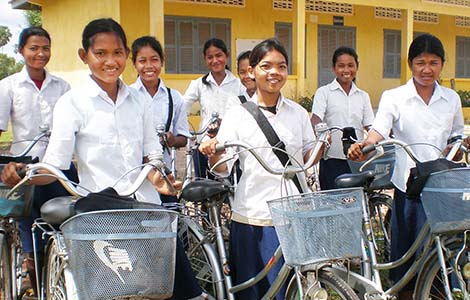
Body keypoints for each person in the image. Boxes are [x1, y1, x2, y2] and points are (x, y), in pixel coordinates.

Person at [2, 18, 204, 300]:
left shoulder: (139, 101)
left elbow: (151, 156)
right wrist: (25, 174)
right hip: (100, 214)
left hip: (144, 209)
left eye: (118, 53)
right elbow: (55, 164)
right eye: (101, 54)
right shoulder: (72, 103)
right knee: (112, 290)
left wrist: (163, 180)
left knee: (167, 288)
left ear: (126, 55)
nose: (110, 61)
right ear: (84, 56)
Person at [199, 38, 321, 299]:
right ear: (252, 71)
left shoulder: (299, 113)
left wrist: (322, 144)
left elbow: (310, 156)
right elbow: (222, 168)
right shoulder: (238, 115)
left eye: (281, 66)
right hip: (252, 218)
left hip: (292, 216)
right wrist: (213, 151)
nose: (274, 72)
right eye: (266, 66)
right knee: (254, 291)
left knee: (291, 289)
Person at [348, 33, 464, 300]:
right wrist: (364, 145)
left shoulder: (451, 99)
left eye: (433, 62)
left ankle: (440, 291)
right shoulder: (395, 97)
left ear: (442, 64)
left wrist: (457, 145)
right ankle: (404, 293)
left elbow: (456, 135)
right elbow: (379, 130)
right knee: (407, 251)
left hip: (441, 185)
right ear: (411, 64)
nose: (427, 69)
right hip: (409, 184)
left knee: (444, 247)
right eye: (420, 62)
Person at [0, 26, 78, 296]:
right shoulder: (8, 86)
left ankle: (67, 279)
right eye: (33, 48)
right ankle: (37, 280)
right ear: (21, 50)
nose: (40, 53)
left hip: (59, 167)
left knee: (70, 224)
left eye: (45, 48)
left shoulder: (63, 87)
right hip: (25, 169)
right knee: (32, 233)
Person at [130, 35, 190, 202]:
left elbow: (183, 138)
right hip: (134, 176)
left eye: (154, 60)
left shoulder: (174, 97)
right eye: (142, 61)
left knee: (167, 221)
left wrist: (172, 139)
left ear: (162, 62)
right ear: (134, 63)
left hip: (164, 174)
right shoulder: (128, 96)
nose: (149, 66)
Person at [311, 46, 374, 190]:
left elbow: (370, 124)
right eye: (341, 66)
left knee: (357, 202)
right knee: (332, 202)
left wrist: (378, 136)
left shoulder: (363, 96)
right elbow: (315, 118)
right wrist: (322, 132)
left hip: (357, 158)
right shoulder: (324, 92)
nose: (346, 70)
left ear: (357, 67)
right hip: (332, 158)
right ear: (334, 68)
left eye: (351, 65)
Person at [183, 38, 245, 179]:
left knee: (232, 188)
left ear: (226, 56)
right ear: (205, 59)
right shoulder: (199, 84)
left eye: (219, 55)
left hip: (230, 146)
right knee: (205, 190)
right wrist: (183, 129)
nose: (215, 60)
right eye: (210, 57)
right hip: (204, 145)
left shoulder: (238, 85)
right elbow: (182, 106)